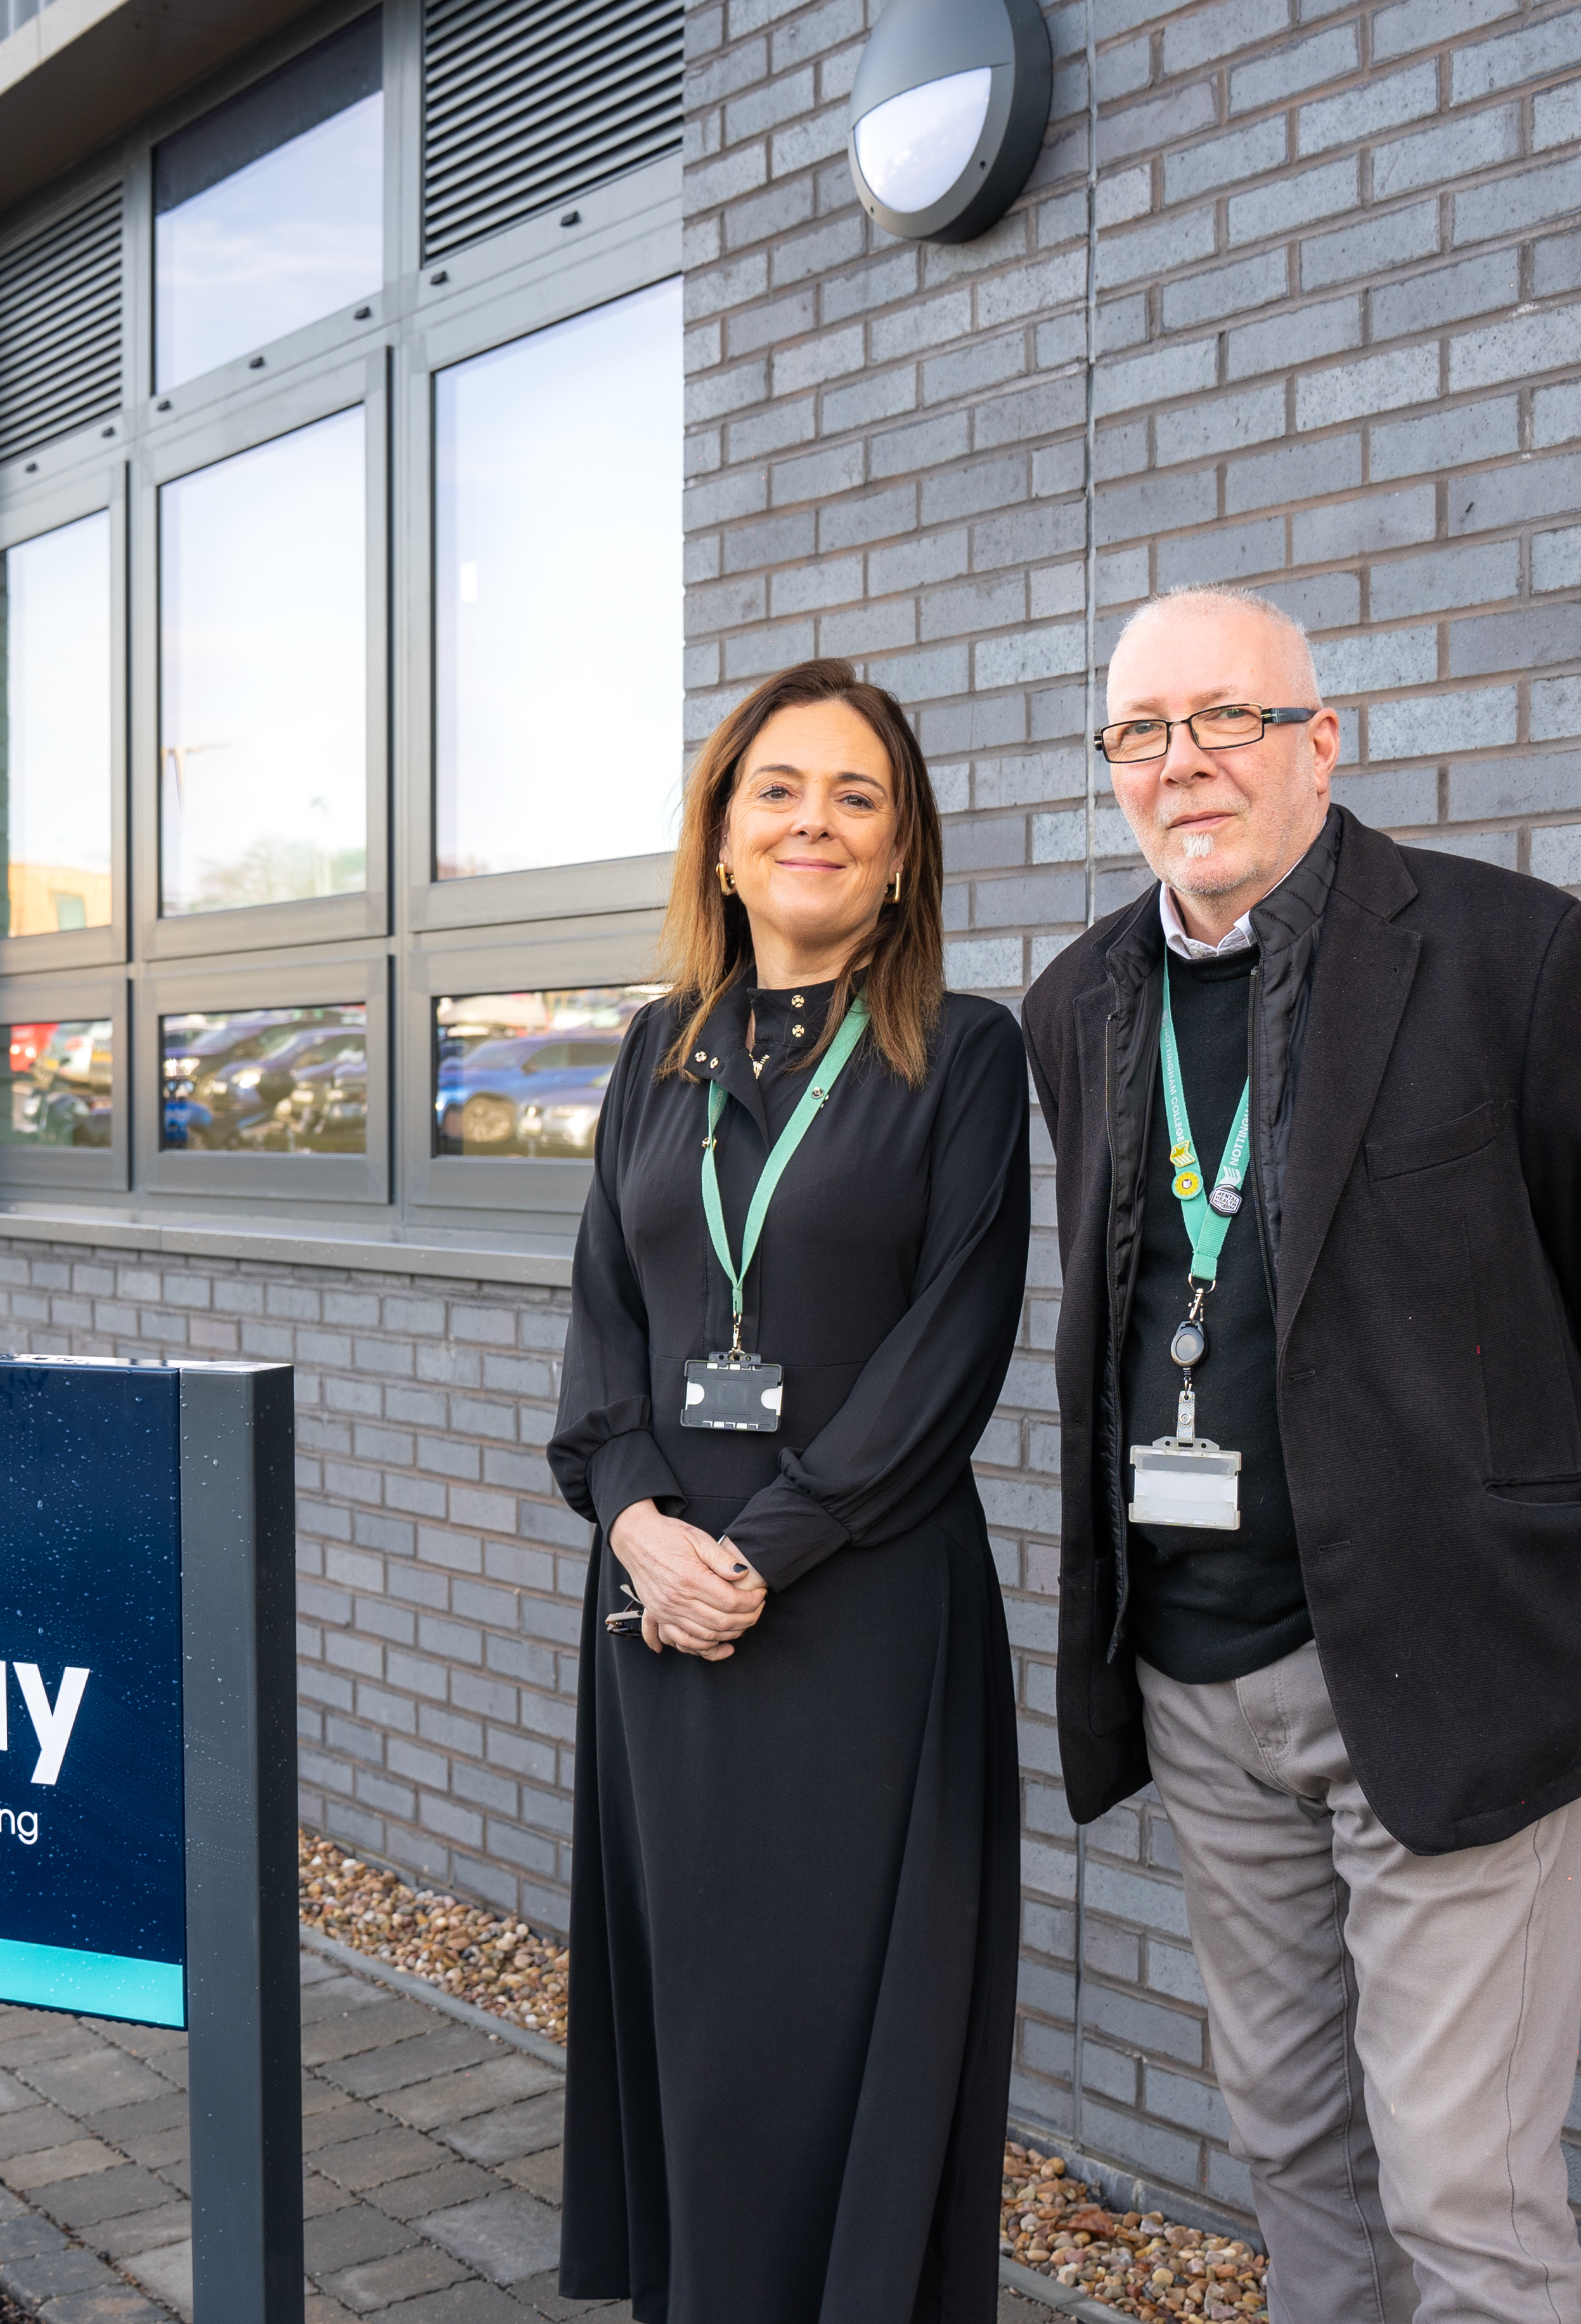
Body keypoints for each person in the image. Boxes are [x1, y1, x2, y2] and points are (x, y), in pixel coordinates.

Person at [1020, 587, 1581, 2324]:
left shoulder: (1517, 959)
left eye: (1225, 718)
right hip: (1196, 1681)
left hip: (1441, 1665)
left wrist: (1509, 1511)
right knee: (1295, 2155)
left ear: (1318, 740)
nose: (1181, 760)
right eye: (1140, 731)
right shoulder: (1076, 1001)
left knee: (1464, 2201)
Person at [548, 658, 1030, 2323]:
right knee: (698, 2022)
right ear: (723, 836)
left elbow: (946, 1352)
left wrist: (750, 1558)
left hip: (860, 1623)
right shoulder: (648, 1057)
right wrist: (638, 1531)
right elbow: (601, 1343)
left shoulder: (960, 1057)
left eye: (854, 796)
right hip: (656, 1620)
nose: (810, 820)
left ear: (901, 859)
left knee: (842, 2027)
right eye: (777, 787)